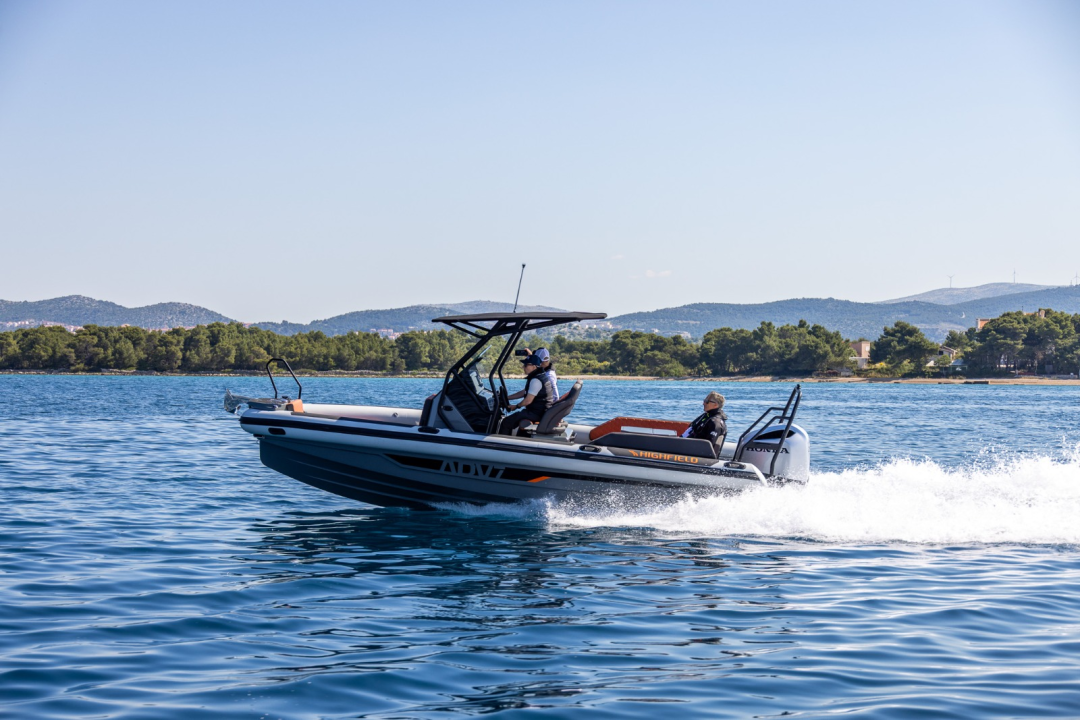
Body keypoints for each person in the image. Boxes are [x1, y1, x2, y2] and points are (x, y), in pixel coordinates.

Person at [499, 355, 558, 435]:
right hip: (540, 412)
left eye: (526, 365)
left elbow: (528, 401)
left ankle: (502, 445)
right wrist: (507, 398)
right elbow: (524, 392)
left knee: (506, 422)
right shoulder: (540, 376)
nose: (524, 367)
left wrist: (516, 406)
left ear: (534, 366)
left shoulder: (536, 380)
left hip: (536, 413)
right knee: (516, 420)